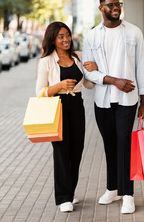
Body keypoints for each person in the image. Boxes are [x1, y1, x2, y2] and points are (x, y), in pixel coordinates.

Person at [82, 0, 144, 214]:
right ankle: (112, 188)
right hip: (102, 101)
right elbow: (88, 71)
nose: (115, 8)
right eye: (110, 5)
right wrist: (113, 80)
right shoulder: (92, 36)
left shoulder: (133, 32)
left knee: (124, 144)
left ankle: (128, 194)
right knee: (109, 145)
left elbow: (142, 66)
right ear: (101, 8)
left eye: (117, 4)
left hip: (127, 100)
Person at [35, 22, 97, 212]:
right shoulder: (46, 61)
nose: (66, 39)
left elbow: (88, 85)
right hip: (57, 107)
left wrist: (93, 70)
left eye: (67, 35)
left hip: (77, 106)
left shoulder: (77, 57)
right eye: (61, 36)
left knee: (77, 150)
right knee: (62, 152)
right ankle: (63, 198)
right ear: (53, 40)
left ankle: (70, 191)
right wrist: (59, 85)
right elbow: (40, 92)